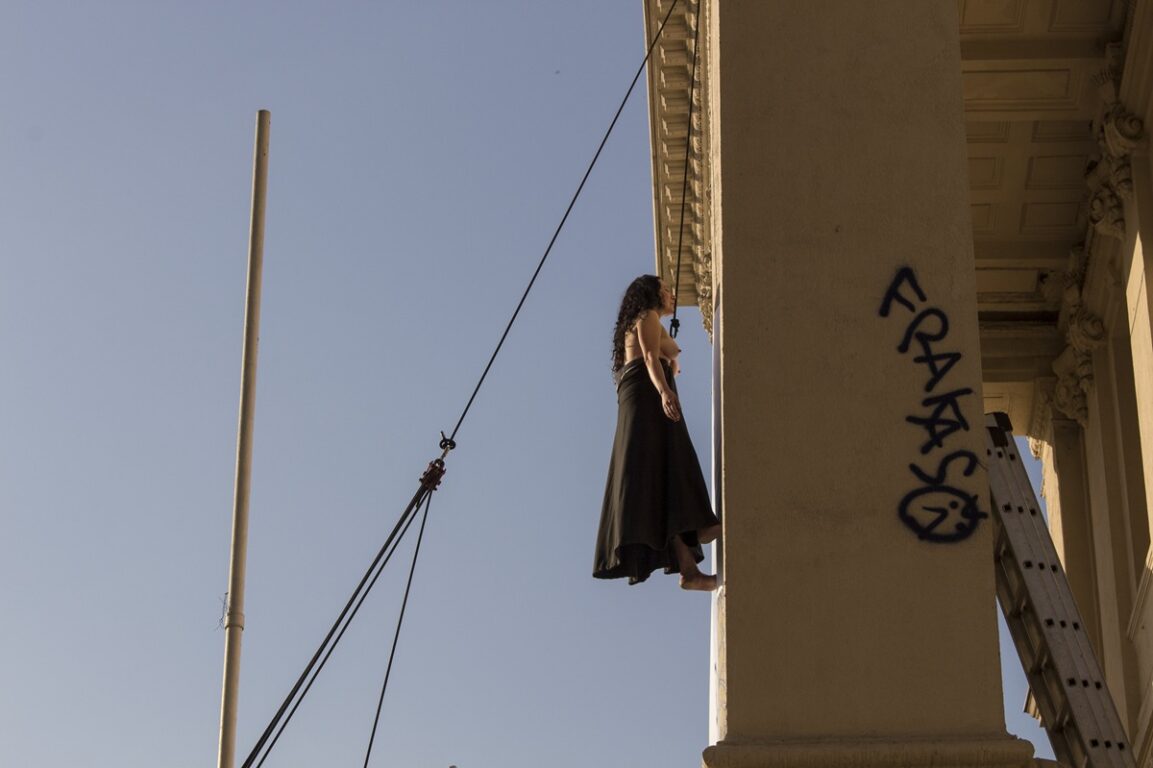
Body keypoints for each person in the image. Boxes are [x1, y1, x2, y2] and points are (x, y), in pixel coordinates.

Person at [593, 274, 721, 590]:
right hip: (648, 399)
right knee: (673, 464)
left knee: (664, 476)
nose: (672, 294)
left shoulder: (643, 322)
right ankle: (700, 526)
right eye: (666, 290)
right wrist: (664, 390)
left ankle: (689, 569)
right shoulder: (646, 315)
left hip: (638, 400)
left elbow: (669, 353)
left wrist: (669, 361)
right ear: (652, 294)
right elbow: (652, 356)